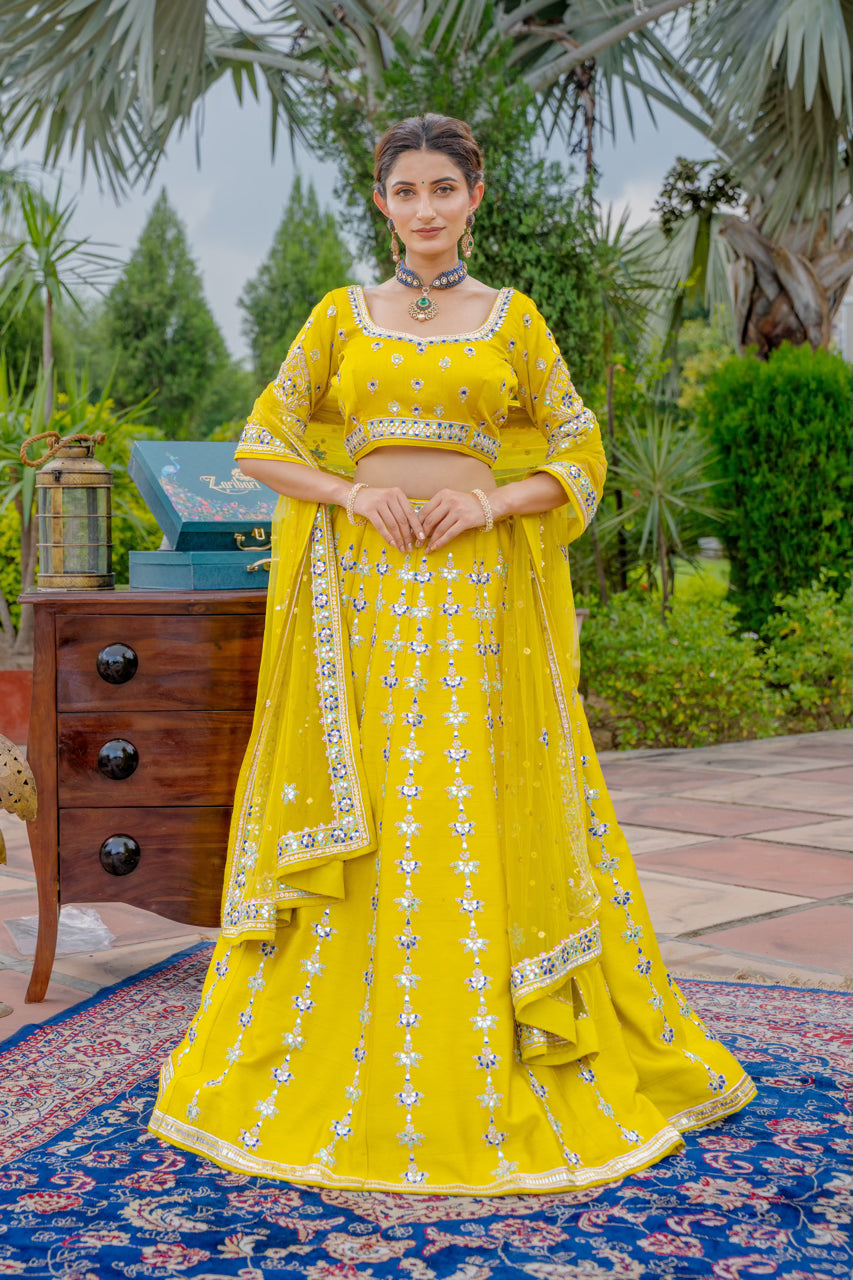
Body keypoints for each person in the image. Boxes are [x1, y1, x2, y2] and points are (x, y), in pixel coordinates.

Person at [149, 114, 755, 1193]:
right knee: (378, 799)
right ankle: (350, 1047)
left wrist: (490, 506)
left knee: (468, 796)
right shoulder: (340, 317)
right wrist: (352, 493)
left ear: (475, 197)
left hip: (479, 600)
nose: (424, 208)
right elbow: (263, 440)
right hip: (365, 601)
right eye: (405, 190)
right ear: (381, 202)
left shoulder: (512, 321)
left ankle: (494, 1036)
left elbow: (579, 452)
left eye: (443, 188)